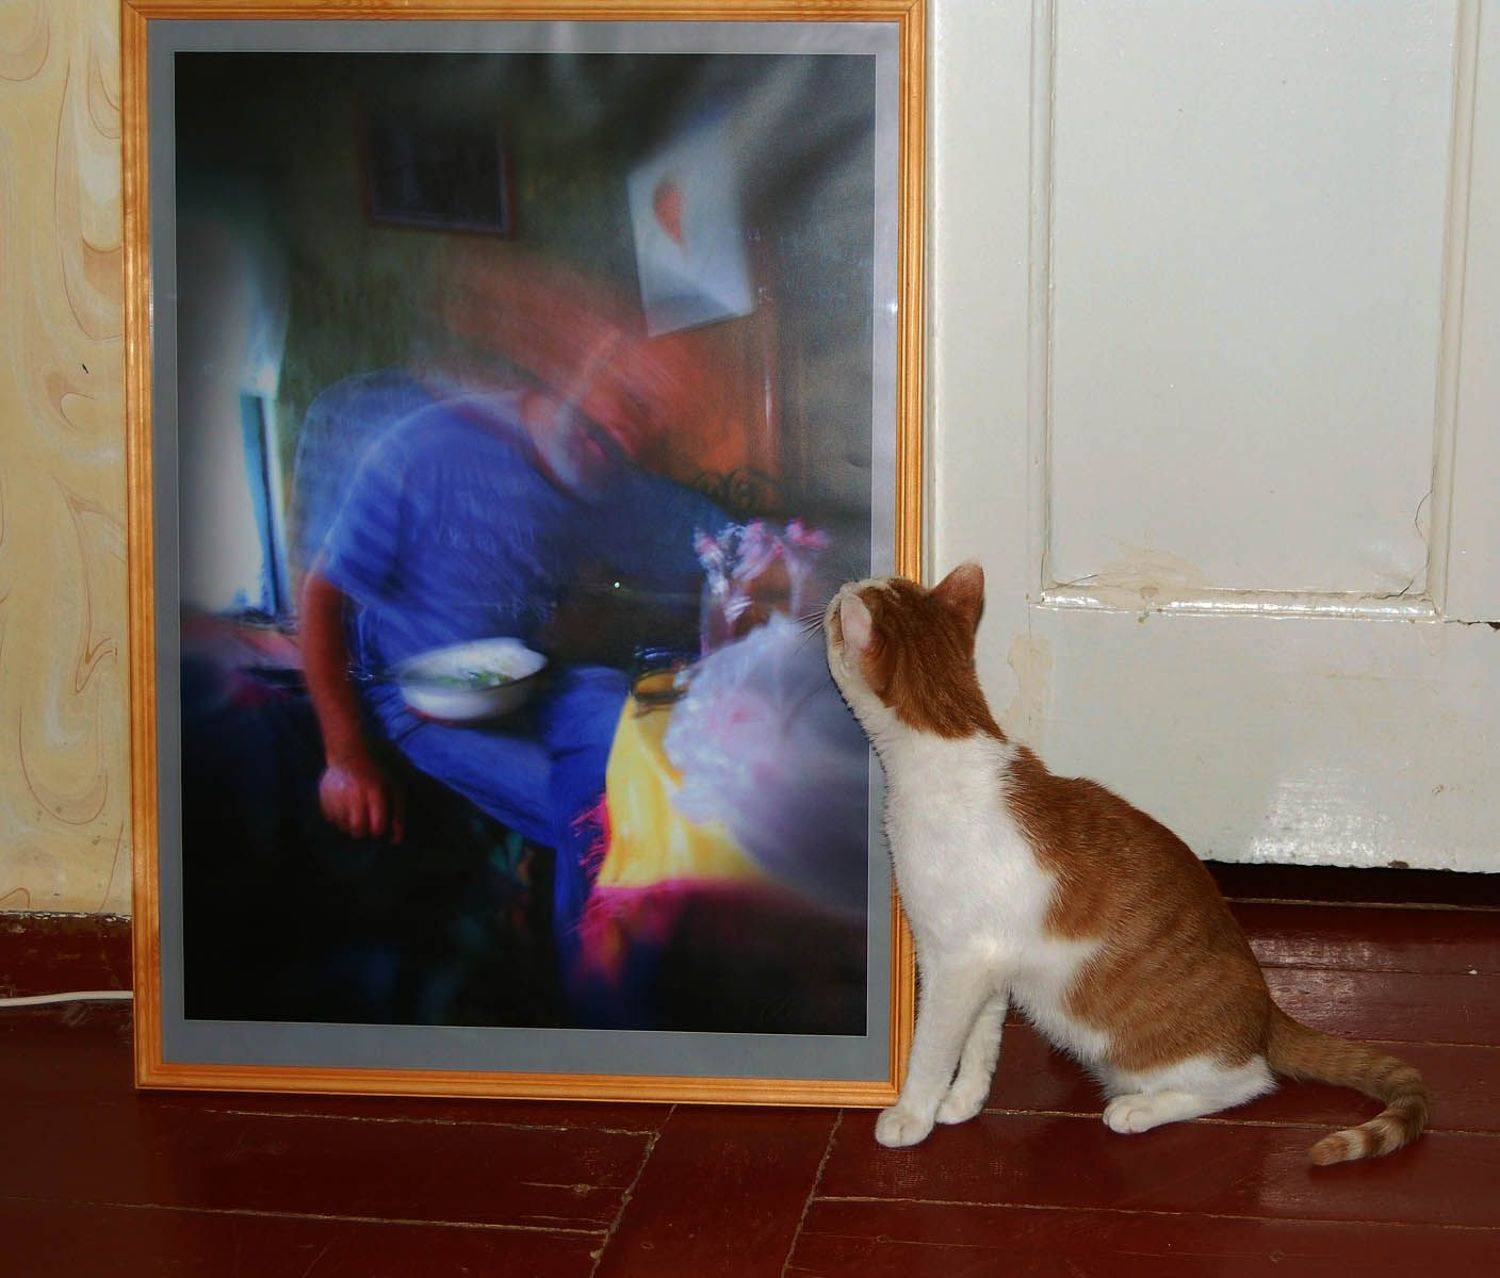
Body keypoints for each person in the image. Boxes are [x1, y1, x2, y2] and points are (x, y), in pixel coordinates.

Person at [298, 366, 723, 947]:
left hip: (532, 679)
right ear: (578, 368)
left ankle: (554, 882)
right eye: (625, 401)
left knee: (651, 744)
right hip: (416, 696)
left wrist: (763, 552)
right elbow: (322, 595)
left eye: (645, 424)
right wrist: (344, 757)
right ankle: (598, 974)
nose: (625, 436)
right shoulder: (428, 445)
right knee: (610, 813)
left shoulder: (599, 472)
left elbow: (704, 531)